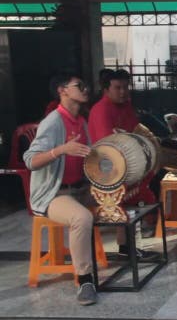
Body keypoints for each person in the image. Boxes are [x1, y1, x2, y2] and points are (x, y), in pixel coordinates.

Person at [23, 73, 147, 306]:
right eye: (79, 86)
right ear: (63, 90)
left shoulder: (81, 119)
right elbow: (30, 160)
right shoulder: (53, 122)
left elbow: (90, 155)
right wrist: (60, 150)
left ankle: (127, 249)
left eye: (86, 85)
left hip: (80, 188)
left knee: (120, 191)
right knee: (81, 218)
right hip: (54, 194)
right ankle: (85, 280)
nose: (86, 89)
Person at [87, 69, 157, 208]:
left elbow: (136, 132)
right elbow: (109, 146)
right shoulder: (101, 109)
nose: (123, 92)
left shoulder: (126, 106)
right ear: (106, 89)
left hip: (127, 160)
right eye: (118, 88)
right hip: (108, 166)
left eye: (125, 87)